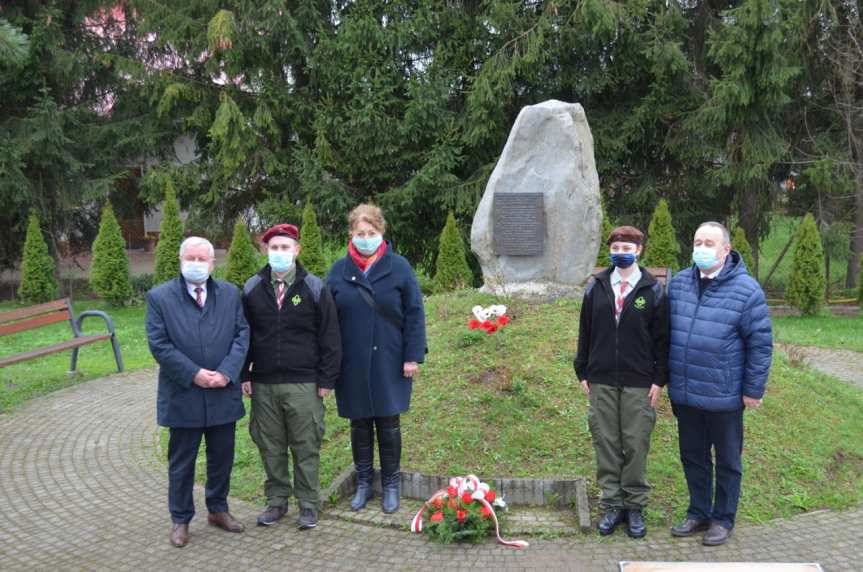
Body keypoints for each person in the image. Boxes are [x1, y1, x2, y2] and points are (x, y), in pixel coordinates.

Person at [667, 221, 773, 546]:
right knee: (693, 456)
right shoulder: (680, 283)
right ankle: (698, 512)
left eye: (709, 243)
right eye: (697, 241)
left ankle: (723, 519)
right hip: (685, 392)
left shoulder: (747, 290)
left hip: (724, 395)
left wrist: (753, 389)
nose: (701, 248)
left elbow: (760, 343)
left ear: (725, 249)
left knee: (727, 461)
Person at [145, 236, 250, 548]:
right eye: (190, 258)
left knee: (222, 458)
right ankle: (180, 519)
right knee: (182, 462)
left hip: (222, 392)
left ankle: (218, 510)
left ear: (212, 263)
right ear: (180, 261)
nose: (196, 264)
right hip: (184, 394)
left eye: (202, 259)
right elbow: (159, 343)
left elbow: (242, 334)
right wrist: (195, 374)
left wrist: (227, 372)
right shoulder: (160, 297)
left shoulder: (231, 294)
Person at [326, 204, 426, 514]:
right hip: (351, 360)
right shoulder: (338, 271)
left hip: (390, 358)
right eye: (360, 233)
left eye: (371, 233)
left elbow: (414, 313)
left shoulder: (399, 267)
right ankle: (364, 483)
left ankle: (391, 484)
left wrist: (413, 356)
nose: (366, 238)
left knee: (388, 422)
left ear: (381, 233)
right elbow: (327, 322)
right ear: (351, 235)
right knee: (359, 424)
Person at [240, 223, 341, 531]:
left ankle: (309, 504)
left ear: (297, 250)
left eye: (285, 248)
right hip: (264, 384)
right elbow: (244, 335)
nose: (280, 253)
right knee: (270, 446)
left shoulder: (314, 287)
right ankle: (276, 501)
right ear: (265, 251)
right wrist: (245, 372)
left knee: (305, 445)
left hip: (304, 383)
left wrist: (326, 379)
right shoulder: (251, 288)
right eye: (274, 248)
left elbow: (330, 336)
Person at [574, 225, 669, 538]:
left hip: (639, 381)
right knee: (607, 442)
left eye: (626, 248)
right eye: (615, 249)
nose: (620, 253)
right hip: (600, 379)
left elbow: (662, 340)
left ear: (639, 250)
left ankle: (635, 506)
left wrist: (658, 379)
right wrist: (583, 370)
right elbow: (585, 331)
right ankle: (612, 504)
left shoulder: (652, 289)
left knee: (635, 443)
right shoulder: (597, 286)